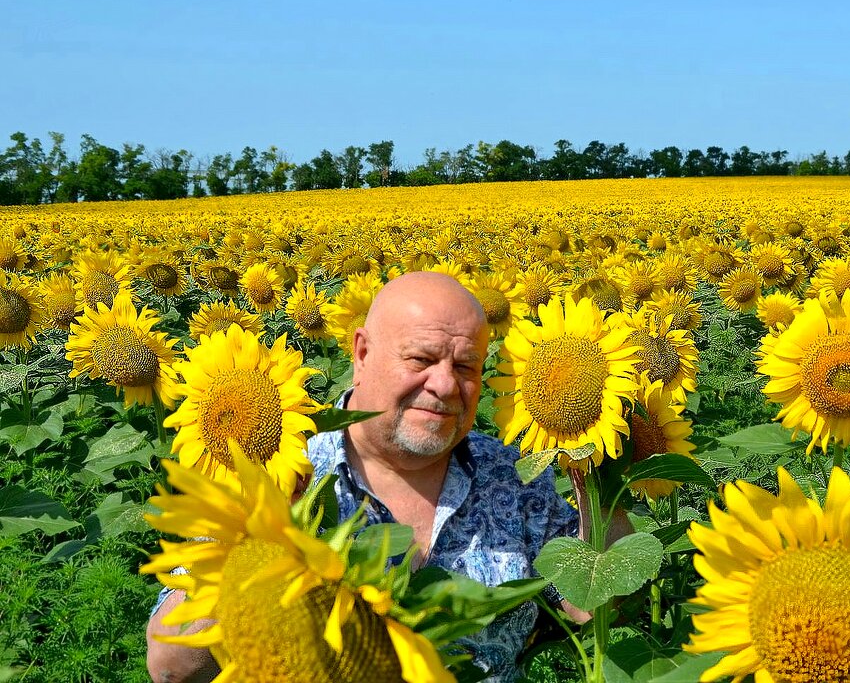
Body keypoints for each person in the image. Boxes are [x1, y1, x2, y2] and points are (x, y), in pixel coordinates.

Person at [146, 271, 584, 682]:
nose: (446, 385)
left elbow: (585, 603)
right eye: (421, 358)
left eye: (467, 366)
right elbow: (173, 667)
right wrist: (260, 537)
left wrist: (597, 476)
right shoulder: (282, 466)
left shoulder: (515, 474)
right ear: (361, 353)